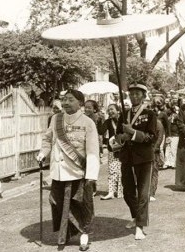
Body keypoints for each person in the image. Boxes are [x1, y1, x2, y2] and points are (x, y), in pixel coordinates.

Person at [36, 89, 100, 251]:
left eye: (70, 100)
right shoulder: (55, 119)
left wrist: (91, 175)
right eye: (64, 99)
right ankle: (67, 231)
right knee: (57, 201)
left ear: (80, 103)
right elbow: (47, 139)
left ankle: (84, 233)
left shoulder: (88, 123)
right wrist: (43, 153)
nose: (66, 103)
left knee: (81, 203)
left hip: (78, 171)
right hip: (58, 170)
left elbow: (93, 150)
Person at [114, 82, 157, 240]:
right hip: (127, 157)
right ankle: (135, 215)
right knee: (127, 192)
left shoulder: (150, 114)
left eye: (137, 94)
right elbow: (117, 136)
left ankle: (140, 226)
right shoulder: (123, 115)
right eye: (131, 94)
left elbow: (152, 137)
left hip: (144, 158)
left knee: (143, 194)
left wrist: (133, 133)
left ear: (143, 96)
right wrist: (123, 137)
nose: (134, 96)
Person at [99, 104, 123, 200]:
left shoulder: (123, 120)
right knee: (112, 170)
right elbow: (101, 131)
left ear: (118, 111)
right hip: (112, 149)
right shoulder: (108, 121)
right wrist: (100, 120)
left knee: (122, 171)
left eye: (112, 109)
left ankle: (121, 192)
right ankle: (111, 192)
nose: (110, 111)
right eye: (108, 110)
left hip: (123, 149)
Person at [150, 118, 165, 201]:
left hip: (154, 151)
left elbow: (160, 137)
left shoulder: (158, 123)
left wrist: (155, 148)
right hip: (145, 150)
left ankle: (151, 192)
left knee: (153, 172)